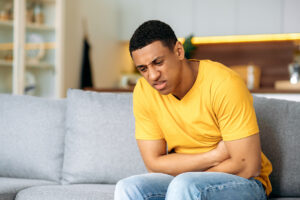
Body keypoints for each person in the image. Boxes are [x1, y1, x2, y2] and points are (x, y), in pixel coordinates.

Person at [114, 20, 272, 200]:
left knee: (185, 185)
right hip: (182, 182)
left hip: (246, 182)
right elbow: (153, 164)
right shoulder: (144, 91)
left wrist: (187, 175)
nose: (153, 76)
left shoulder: (224, 83)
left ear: (179, 51)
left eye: (158, 62)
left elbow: (248, 165)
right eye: (143, 69)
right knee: (128, 187)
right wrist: (215, 155)